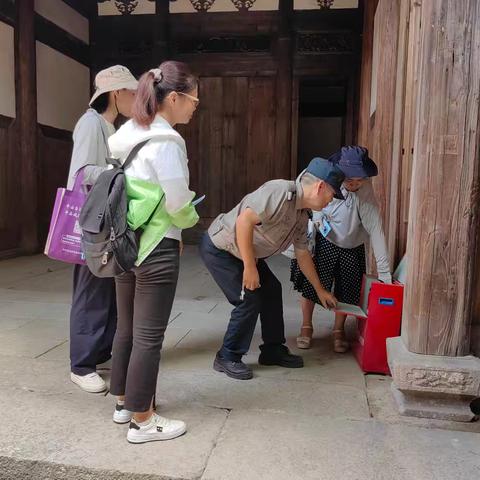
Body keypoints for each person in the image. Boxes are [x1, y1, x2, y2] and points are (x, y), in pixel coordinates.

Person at [108, 61, 200, 444]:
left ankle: (123, 402)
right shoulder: (166, 142)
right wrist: (191, 215)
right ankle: (142, 421)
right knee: (149, 335)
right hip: (157, 244)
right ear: (174, 98)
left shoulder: (124, 135)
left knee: (127, 326)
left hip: (123, 241)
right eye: (194, 99)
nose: (195, 106)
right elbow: (177, 200)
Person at [199, 159, 345, 380]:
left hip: (245, 252)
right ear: (320, 187)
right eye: (332, 195)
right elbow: (244, 222)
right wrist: (249, 267)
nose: (331, 201)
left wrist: (320, 290)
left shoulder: (301, 214)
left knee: (272, 289)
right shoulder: (279, 192)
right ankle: (227, 356)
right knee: (249, 298)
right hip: (222, 248)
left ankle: (272, 350)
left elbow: (303, 253)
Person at [68, 65, 138, 393]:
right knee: (91, 292)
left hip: (106, 222)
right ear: (116, 93)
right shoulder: (90, 124)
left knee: (107, 291)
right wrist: (122, 173)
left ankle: (98, 353)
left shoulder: (108, 126)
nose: (135, 98)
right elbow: (82, 173)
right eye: (132, 92)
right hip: (93, 225)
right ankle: (81, 365)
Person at [292, 146, 392, 352]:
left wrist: (385, 275)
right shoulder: (327, 180)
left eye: (359, 180)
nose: (353, 184)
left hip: (352, 243)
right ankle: (306, 325)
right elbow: (312, 205)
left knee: (348, 288)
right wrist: (318, 222)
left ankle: (339, 330)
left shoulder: (365, 193)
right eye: (348, 180)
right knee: (312, 285)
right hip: (325, 238)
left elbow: (376, 230)